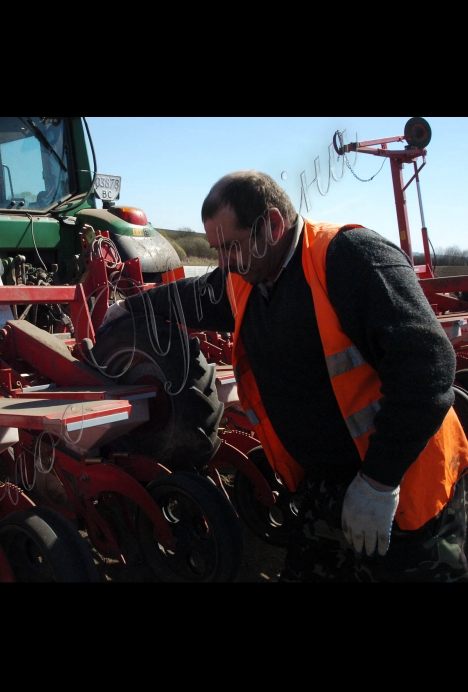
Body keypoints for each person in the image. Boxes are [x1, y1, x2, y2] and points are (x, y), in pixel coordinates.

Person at [102, 170, 468, 582]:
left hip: (402, 486)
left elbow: (429, 368)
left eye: (232, 246)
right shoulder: (246, 277)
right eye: (217, 249)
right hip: (324, 488)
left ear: (273, 226)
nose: (225, 262)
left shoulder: (350, 258)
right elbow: (195, 296)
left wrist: (379, 482)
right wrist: (137, 307)